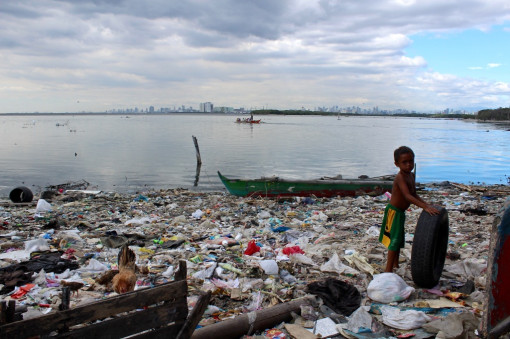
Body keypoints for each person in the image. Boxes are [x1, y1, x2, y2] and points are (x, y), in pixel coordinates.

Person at [379, 146, 439, 273]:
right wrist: (424, 207)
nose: (408, 165)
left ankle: (395, 265)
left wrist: (427, 205)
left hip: (400, 213)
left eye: (411, 161)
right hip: (393, 212)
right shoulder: (400, 177)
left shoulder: (411, 175)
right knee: (393, 241)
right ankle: (388, 270)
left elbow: (414, 193)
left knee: (399, 239)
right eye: (404, 162)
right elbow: (407, 196)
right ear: (397, 164)